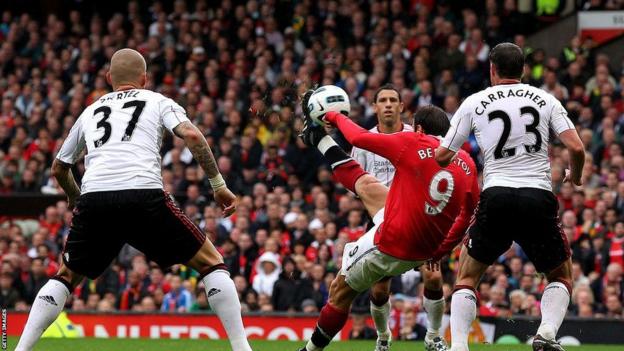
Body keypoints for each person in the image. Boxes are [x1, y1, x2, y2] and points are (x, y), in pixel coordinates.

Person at [16, 49, 253, 351]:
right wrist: (218, 184)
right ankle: (241, 348)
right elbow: (192, 135)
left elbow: (59, 167)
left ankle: (20, 349)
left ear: (108, 78)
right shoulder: (157, 100)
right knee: (211, 264)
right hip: (144, 194)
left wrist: (77, 200)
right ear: (144, 79)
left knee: (66, 277)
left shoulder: (90, 110)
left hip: (95, 199)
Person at [298, 92, 479, 351]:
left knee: (340, 291)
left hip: (394, 241)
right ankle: (320, 140)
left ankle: (309, 350)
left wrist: (333, 115)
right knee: (368, 185)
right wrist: (442, 249)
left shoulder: (413, 142)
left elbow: (358, 137)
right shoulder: (467, 162)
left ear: (418, 128)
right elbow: (469, 213)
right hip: (427, 245)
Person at [435, 42, 585, 351]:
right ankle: (545, 332)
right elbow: (576, 147)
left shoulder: (474, 103)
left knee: (467, 275)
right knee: (560, 273)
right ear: (523, 70)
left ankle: (459, 346)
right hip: (537, 195)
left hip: (497, 194)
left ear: (492, 68)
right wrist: (576, 176)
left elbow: (442, 156)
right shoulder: (545, 100)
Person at [350, 84, 449, 351]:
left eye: (394, 99)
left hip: (420, 218)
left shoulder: (416, 136)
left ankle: (434, 336)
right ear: (375, 106)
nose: (389, 104)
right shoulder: (364, 142)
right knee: (380, 289)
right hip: (383, 219)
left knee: (434, 278)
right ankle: (383, 337)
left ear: (402, 107)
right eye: (383, 100)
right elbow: (356, 182)